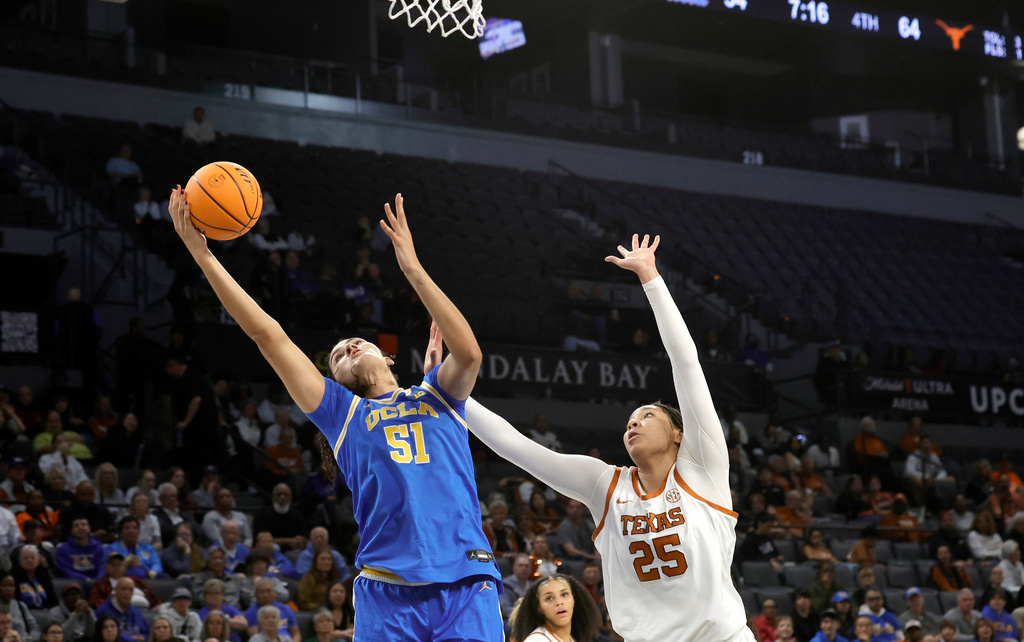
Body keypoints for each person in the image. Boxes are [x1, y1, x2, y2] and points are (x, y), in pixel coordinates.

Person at [171, 190, 503, 639]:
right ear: (338, 381)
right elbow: (268, 336)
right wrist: (202, 254)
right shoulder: (343, 413)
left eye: (356, 344)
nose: (347, 348)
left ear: (388, 357)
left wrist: (411, 268)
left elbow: (469, 352)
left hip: (465, 584)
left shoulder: (438, 396)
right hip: (388, 590)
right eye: (337, 359)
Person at [464, 234, 764, 641]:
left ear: (679, 432)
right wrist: (451, 398)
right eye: (628, 421)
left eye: (646, 415)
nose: (632, 424)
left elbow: (686, 362)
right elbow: (518, 447)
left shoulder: (703, 470)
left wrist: (652, 280)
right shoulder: (605, 484)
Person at [508, 574, 601, 642]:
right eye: (549, 598)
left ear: (574, 599)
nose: (559, 602)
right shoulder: (537, 640)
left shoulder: (571, 638)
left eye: (564, 594)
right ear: (539, 607)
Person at [87, 554, 159, 610]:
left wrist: (157, 605)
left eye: (119, 565)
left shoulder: (135, 581)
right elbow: (94, 600)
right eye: (113, 565)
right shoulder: (100, 584)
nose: (116, 568)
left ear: (124, 567)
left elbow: (152, 596)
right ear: (106, 567)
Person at [251, 486, 307, 553]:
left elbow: (303, 536)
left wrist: (300, 540)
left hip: (293, 552)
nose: (282, 497)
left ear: (290, 498)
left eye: (285, 495)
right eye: (279, 494)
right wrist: (289, 541)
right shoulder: (261, 514)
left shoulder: (297, 515)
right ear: (273, 497)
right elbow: (261, 540)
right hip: (268, 550)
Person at [153, 484, 198, 550]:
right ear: (161, 498)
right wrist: (183, 528)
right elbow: (165, 531)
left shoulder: (185, 513)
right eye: (169, 496)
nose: (173, 499)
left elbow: (196, 527)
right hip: (170, 548)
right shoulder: (156, 515)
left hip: (191, 545)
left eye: (174, 496)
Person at [0, 575, 39, 642]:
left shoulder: (20, 605)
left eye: (11, 586)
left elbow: (35, 629)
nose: (8, 589)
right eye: (4, 586)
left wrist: (25, 640)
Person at [500, 553, 533, 621]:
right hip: (512, 621)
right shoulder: (505, 585)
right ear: (514, 568)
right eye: (520, 566)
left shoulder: (532, 585)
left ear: (531, 569)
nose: (523, 569)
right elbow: (504, 609)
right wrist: (527, 614)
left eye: (527, 566)